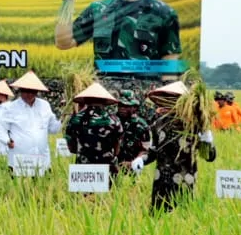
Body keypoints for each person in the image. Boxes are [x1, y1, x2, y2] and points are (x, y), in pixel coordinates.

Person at [134, 81, 216, 212]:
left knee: (182, 220)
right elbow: (153, 152)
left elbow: (209, 157)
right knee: (157, 217)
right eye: (166, 100)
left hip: (184, 181)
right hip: (161, 181)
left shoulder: (195, 126)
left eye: (172, 100)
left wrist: (207, 140)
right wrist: (141, 160)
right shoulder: (158, 124)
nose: (168, 104)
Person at [0, 72, 61, 175]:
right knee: (19, 188)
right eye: (25, 91)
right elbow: (0, 129)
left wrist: (64, 118)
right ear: (20, 90)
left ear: (37, 91)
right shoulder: (11, 108)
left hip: (42, 159)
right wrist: (7, 140)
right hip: (19, 160)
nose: (28, 94)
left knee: (43, 188)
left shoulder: (44, 106)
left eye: (32, 91)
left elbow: (53, 129)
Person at [64, 83, 124, 183]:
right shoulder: (114, 120)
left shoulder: (75, 119)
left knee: (81, 198)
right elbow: (117, 150)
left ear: (86, 100)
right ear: (105, 101)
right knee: (105, 198)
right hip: (106, 169)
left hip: (82, 170)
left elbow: (71, 148)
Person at [114, 90, 151, 173]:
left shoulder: (141, 125)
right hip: (111, 168)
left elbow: (145, 150)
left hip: (132, 170)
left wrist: (132, 163)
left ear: (134, 107)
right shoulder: (111, 122)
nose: (122, 108)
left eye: (126, 106)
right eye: (120, 105)